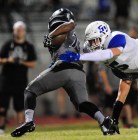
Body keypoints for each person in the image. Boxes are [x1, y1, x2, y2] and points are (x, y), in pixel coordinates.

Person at [11, 9, 110, 137]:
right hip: (78, 72)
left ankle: (29, 122)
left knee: (30, 91)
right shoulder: (70, 35)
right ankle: (104, 121)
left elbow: (69, 26)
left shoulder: (63, 29)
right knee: (82, 104)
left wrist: (51, 36)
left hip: (63, 68)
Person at [0, 21, 37, 135]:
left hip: (20, 80)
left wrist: (21, 62)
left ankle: (20, 127)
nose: (19, 32)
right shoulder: (8, 44)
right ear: (14, 31)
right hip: (6, 79)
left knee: (20, 106)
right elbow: (0, 59)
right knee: (2, 105)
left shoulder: (29, 46)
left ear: (24, 31)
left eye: (21, 30)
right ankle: (1, 126)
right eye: (17, 30)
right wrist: (8, 60)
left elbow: (33, 64)